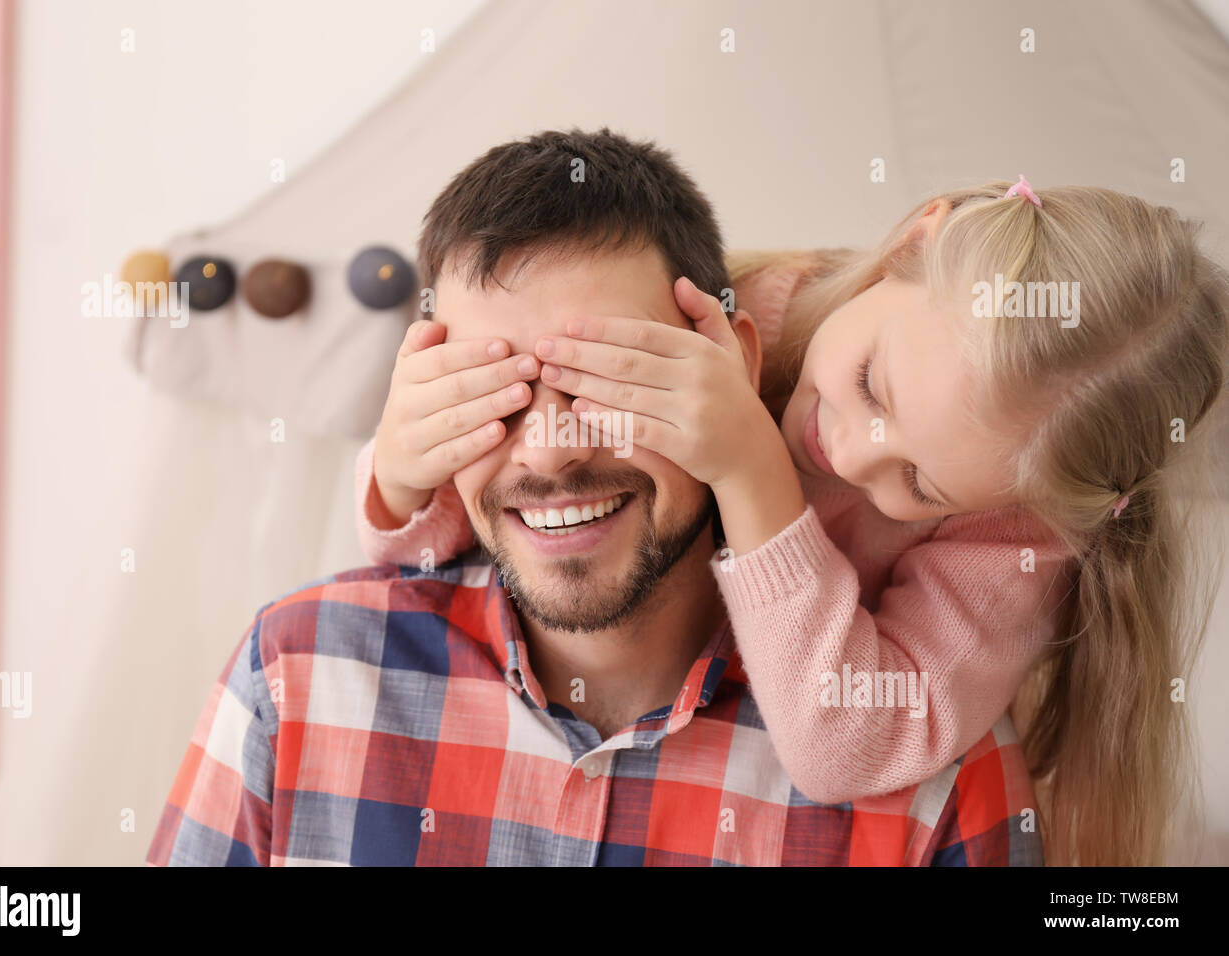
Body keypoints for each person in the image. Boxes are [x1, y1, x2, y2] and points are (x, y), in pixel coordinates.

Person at [147, 128, 1042, 866]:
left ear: (734, 362)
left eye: (611, 380)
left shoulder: (930, 770)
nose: (551, 449)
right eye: (492, 391)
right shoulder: (295, 679)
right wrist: (395, 476)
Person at [355, 135, 1229, 866]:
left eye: (922, 485)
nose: (848, 453)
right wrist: (400, 472)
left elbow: (848, 748)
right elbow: (463, 550)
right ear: (917, 242)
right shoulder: (740, 316)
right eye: (871, 386)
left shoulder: (1015, 536)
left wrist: (752, 471)